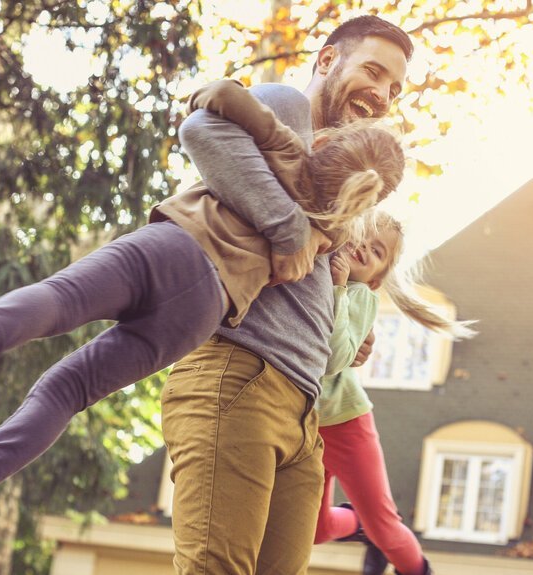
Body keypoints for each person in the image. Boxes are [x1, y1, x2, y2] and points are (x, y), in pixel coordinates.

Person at [0, 77, 405, 549]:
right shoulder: (327, 236)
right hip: (201, 315)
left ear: (323, 141)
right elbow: (318, 292)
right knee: (69, 390)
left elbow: (217, 99)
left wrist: (218, 97)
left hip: (177, 251)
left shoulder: (288, 148)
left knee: (61, 300)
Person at [159, 15, 417, 575]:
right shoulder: (288, 108)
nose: (382, 94)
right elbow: (200, 129)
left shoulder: (343, 169)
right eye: (373, 72)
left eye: (394, 89)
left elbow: (313, 277)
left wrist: (342, 328)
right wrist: (289, 230)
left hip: (303, 409)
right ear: (327, 60)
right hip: (240, 375)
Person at [315, 212, 473, 575]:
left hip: (345, 420)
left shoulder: (359, 295)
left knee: (383, 526)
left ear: (376, 280)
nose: (363, 248)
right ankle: (356, 523)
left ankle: (417, 569)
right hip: (309, 425)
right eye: (361, 236)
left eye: (377, 251)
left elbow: (334, 358)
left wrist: (338, 288)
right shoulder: (319, 270)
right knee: (315, 530)